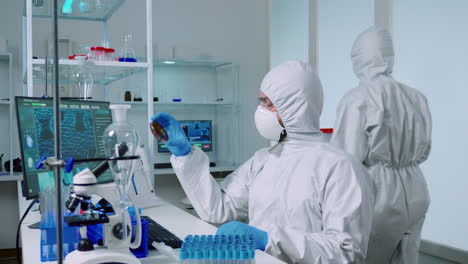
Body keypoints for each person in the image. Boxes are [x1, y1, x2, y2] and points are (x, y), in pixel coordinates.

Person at [152, 60, 374, 263]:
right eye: (260, 102)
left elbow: (346, 251)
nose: (260, 111)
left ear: (295, 108)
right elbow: (218, 208)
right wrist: (185, 154)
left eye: (268, 103)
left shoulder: (340, 168)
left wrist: (270, 240)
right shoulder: (263, 159)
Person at [330, 26, 432, 264]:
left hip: (378, 196)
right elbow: (424, 150)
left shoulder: (357, 99)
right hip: (417, 189)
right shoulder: (417, 97)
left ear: (360, 58)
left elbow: (345, 160)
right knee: (406, 258)